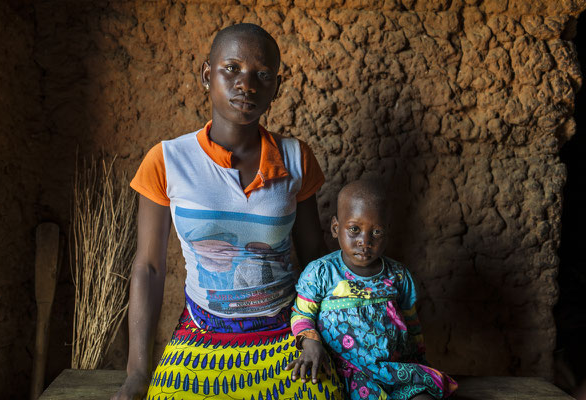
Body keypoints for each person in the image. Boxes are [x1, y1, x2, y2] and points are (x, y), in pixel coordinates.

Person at [112, 23, 343, 400]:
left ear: (276, 88)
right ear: (207, 75)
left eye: (262, 75)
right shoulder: (168, 161)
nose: (246, 85)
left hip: (285, 332)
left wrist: (316, 337)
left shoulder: (296, 159)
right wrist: (138, 372)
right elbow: (149, 268)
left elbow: (315, 259)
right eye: (231, 69)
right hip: (202, 332)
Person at [287, 180, 458, 400]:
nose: (364, 242)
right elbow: (302, 314)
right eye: (354, 230)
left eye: (376, 232)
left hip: (396, 372)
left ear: (388, 232)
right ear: (335, 228)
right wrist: (310, 344)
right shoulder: (321, 272)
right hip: (345, 373)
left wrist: (421, 360)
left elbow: (412, 324)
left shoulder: (398, 275)